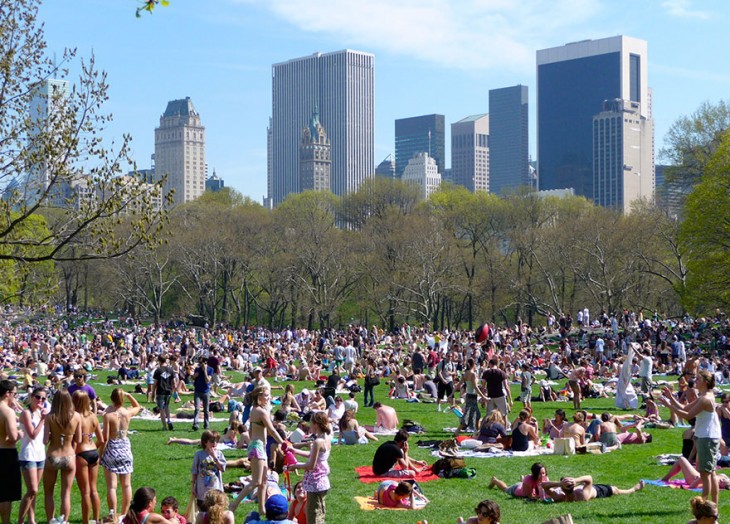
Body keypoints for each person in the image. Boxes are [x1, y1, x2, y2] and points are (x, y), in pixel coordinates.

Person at [661, 369, 721, 504]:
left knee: (706, 474)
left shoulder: (705, 399)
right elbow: (685, 407)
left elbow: (688, 416)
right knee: (710, 473)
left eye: (698, 380)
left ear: (705, 382)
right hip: (706, 436)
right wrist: (671, 398)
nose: (695, 382)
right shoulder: (704, 397)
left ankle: (704, 505)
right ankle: (712, 506)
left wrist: (668, 405)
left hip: (707, 438)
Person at [229, 386, 285, 516]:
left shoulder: (255, 410)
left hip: (258, 446)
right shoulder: (261, 411)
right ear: (259, 397)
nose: (269, 397)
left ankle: (262, 509)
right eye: (266, 395)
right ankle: (234, 505)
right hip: (258, 447)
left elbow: (252, 431)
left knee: (264, 480)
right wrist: (283, 442)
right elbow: (271, 430)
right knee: (256, 481)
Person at [100, 388, 142, 518]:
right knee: (126, 484)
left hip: (112, 447)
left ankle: (113, 514)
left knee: (112, 486)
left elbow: (105, 438)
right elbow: (138, 406)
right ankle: (125, 514)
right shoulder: (127, 413)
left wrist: (100, 454)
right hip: (124, 447)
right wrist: (129, 395)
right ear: (122, 399)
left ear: (112, 399)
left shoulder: (108, 416)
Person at [43, 389, 82, 524]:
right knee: (66, 493)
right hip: (69, 456)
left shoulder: (50, 417)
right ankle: (64, 521)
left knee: (49, 492)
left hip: (53, 456)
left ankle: (50, 520)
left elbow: (44, 441)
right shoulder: (76, 416)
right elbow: (79, 439)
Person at [284, 412, 331, 524]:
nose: (309, 425)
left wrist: (295, 466)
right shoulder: (326, 438)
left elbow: (311, 466)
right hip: (323, 482)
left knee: (313, 517)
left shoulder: (318, 442)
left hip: (315, 484)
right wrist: (295, 451)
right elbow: (313, 455)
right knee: (320, 513)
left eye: (311, 422)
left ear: (316, 424)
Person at [73, 390, 105, 524]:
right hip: (93, 452)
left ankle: (86, 521)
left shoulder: (75, 417)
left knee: (85, 492)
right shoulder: (93, 416)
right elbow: (102, 440)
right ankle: (96, 520)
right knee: (94, 489)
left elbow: (74, 440)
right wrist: (93, 447)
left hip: (81, 454)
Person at [17, 386, 48, 524]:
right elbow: (32, 434)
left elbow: (44, 435)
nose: (40, 400)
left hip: (40, 454)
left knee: (34, 492)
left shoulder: (39, 412)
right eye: (38, 397)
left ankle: (32, 520)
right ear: (31, 397)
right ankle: (20, 521)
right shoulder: (26, 413)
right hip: (28, 454)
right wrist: (43, 420)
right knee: (32, 489)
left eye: (43, 398)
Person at [0, 380, 21, 524]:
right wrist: (21, 433)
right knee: (5, 493)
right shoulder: (8, 411)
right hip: (6, 453)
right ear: (7, 393)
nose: (15, 396)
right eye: (14, 393)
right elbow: (13, 438)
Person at [191, 430, 227, 511]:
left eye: (216, 441)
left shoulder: (219, 454)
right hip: (202, 490)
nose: (214, 443)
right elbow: (194, 471)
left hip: (216, 488)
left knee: (216, 511)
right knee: (203, 512)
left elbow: (222, 468)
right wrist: (192, 486)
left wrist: (214, 457)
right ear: (205, 442)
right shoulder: (199, 455)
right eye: (211, 441)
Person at [541, 475, 644, 502]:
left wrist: (560, 484)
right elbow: (589, 478)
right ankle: (634, 489)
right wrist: (576, 480)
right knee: (616, 490)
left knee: (615, 489)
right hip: (598, 491)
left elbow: (544, 485)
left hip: (584, 486)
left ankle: (634, 489)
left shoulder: (560, 497)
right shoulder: (582, 496)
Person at [456, 359, 488, 436]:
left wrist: (452, 393)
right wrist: (483, 396)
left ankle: (477, 431)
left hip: (469, 396)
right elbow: (475, 387)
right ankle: (457, 431)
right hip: (472, 396)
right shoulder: (473, 374)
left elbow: (458, 384)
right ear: (473, 365)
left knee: (476, 414)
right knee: (468, 416)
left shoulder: (465, 374)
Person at [661, 455, 730, 490]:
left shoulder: (713, 485)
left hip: (694, 479)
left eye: (722, 482)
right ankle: (666, 478)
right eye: (725, 479)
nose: (722, 480)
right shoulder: (723, 477)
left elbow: (693, 486)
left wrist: (703, 476)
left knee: (681, 460)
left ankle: (665, 478)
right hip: (699, 475)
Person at [152, 355, 177, 431]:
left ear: (159, 361)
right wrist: (174, 391)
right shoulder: (170, 370)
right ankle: (169, 420)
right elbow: (174, 383)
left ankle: (164, 426)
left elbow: (155, 383)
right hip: (168, 391)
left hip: (160, 391)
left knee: (162, 409)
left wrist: (153, 392)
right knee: (167, 407)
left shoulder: (158, 370)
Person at [192, 356, 213, 431]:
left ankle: (206, 425)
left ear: (205, 362)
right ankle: (195, 423)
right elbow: (193, 378)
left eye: (201, 362)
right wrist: (194, 376)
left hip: (206, 391)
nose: (200, 364)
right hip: (197, 391)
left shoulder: (210, 369)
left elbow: (208, 380)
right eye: (199, 362)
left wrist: (205, 371)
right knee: (197, 408)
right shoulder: (197, 369)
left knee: (206, 410)